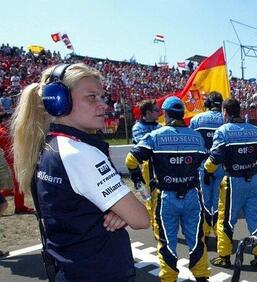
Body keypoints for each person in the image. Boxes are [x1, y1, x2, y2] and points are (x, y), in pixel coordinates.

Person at [12, 63, 150, 281]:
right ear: (59, 101)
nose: (104, 105)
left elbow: (75, 205)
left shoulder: (48, 144)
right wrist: (122, 211)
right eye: (91, 97)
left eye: (103, 97)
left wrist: (119, 211)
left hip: (70, 268)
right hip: (98, 271)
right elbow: (141, 218)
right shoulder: (80, 152)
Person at [126, 96, 210, 282]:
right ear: (182, 114)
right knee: (196, 239)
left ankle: (169, 278)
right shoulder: (196, 136)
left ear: (165, 114)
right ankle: (202, 276)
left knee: (166, 242)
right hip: (192, 196)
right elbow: (207, 163)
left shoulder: (155, 135)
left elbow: (131, 160)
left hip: (166, 197)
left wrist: (139, 183)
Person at [204, 98, 257, 268]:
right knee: (256, 220)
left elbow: (215, 158)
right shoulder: (255, 130)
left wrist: (207, 171)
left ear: (225, 112)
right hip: (253, 180)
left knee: (226, 221)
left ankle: (224, 256)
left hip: (233, 182)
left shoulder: (223, 131)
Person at [189, 92, 224, 244]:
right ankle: (219, 235)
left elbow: (189, 141)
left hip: (202, 165)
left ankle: (204, 234)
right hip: (222, 165)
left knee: (203, 201)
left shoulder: (196, 119)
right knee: (219, 202)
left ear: (208, 103)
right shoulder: (226, 119)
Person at [131, 99, 161, 228]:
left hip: (160, 166)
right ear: (148, 112)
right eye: (156, 110)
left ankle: (158, 223)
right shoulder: (138, 127)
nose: (159, 113)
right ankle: (155, 227)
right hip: (146, 167)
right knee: (149, 198)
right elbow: (144, 148)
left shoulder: (159, 126)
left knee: (159, 196)